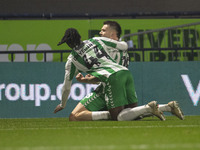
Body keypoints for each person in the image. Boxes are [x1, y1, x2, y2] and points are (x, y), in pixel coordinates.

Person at [53, 27, 165, 121]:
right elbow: (124, 46)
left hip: (112, 78)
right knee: (132, 114)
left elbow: (66, 87)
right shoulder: (96, 40)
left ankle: (149, 108)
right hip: (124, 72)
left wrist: (63, 104)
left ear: (68, 43)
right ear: (80, 37)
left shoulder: (72, 60)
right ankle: (165, 107)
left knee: (118, 116)